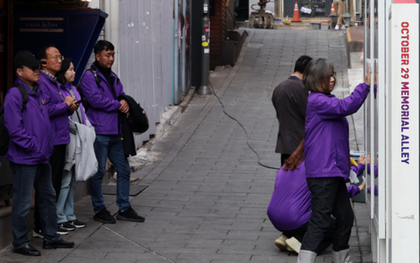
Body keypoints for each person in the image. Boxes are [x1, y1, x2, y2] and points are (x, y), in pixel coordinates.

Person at [297, 59, 371, 263]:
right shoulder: (318, 101)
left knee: (345, 217)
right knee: (320, 221)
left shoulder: (323, 100)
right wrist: (364, 85)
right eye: (327, 76)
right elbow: (346, 106)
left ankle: (341, 258)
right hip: (323, 174)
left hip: (333, 172)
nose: (332, 79)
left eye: (332, 74)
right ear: (315, 80)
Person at [5, 51, 74, 256]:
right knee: (23, 202)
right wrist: (35, 146)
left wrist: (46, 146)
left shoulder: (39, 91)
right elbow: (15, 130)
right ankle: (20, 242)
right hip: (26, 158)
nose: (37, 70)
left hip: (43, 156)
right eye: (32, 68)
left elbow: (47, 118)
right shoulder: (15, 94)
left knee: (48, 197)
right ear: (19, 71)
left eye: (38, 67)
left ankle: (51, 237)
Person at [79, 40, 144, 223]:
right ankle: (99, 209)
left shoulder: (113, 76)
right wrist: (118, 105)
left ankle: (124, 207)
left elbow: (121, 96)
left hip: (116, 132)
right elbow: (95, 100)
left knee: (123, 170)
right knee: (98, 172)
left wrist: (124, 104)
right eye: (107, 55)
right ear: (97, 56)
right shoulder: (89, 77)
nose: (111, 58)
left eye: (113, 54)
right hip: (99, 132)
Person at [268, 140, 366, 255]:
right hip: (294, 218)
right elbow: (334, 189)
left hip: (275, 217)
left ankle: (286, 236)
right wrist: (360, 169)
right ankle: (301, 243)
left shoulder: (289, 163)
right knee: (333, 224)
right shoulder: (317, 165)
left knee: (304, 209)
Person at [33, 45, 77, 237]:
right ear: (44, 62)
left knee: (56, 184)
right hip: (51, 140)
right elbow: (45, 110)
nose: (60, 60)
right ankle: (42, 226)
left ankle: (50, 224)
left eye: (61, 57)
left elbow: (57, 108)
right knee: (48, 186)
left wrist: (69, 108)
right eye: (56, 57)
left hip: (60, 138)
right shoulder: (42, 82)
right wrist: (64, 105)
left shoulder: (55, 83)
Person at [55, 58, 91, 231]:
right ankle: (59, 217)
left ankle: (69, 215)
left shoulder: (74, 90)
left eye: (73, 69)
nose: (73, 72)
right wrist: (81, 130)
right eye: (69, 69)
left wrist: (88, 130)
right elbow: (65, 118)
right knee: (64, 180)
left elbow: (82, 113)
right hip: (68, 139)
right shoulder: (59, 92)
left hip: (78, 139)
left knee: (72, 182)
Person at [272, 55, 312, 166]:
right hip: (298, 146)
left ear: (294, 69)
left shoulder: (279, 87)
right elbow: (308, 115)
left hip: (284, 144)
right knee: (298, 181)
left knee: (286, 178)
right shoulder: (301, 88)